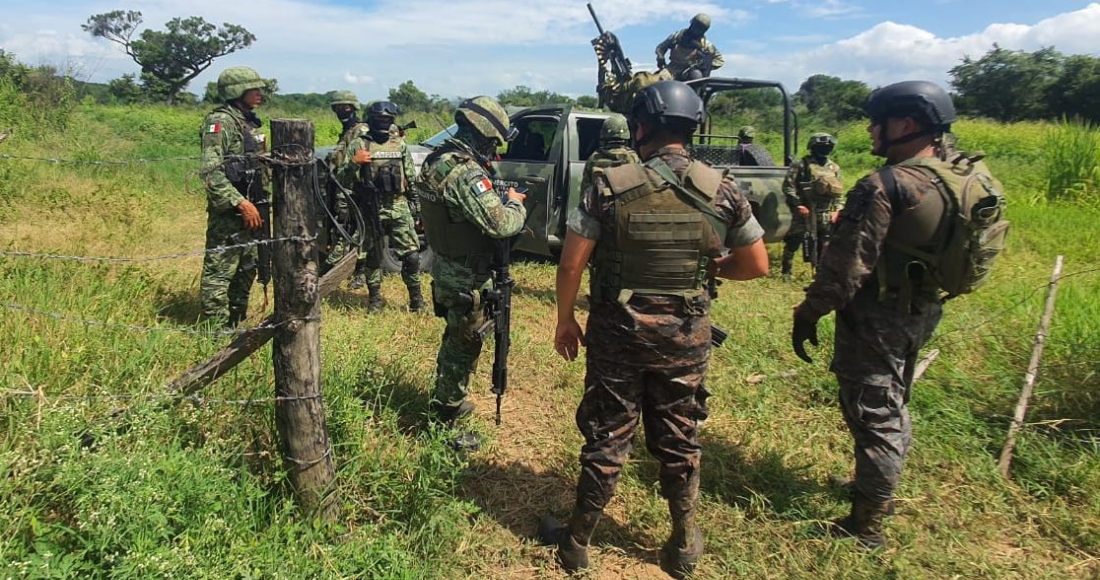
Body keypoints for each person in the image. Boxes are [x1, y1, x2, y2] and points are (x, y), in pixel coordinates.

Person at [540, 80, 769, 578]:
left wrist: (565, 319)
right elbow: (756, 264)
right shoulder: (722, 187)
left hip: (617, 334)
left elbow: (571, 264)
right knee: (679, 433)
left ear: (641, 126)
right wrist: (709, 272)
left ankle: (578, 543)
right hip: (685, 338)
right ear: (691, 129)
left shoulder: (610, 184)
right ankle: (684, 544)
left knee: (608, 432)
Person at [792, 80, 989, 550]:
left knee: (874, 411)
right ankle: (875, 485)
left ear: (905, 124)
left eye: (878, 121)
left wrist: (809, 311)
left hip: (878, 315)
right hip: (922, 307)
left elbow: (846, 267)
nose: (870, 129)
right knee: (894, 400)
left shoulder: (886, 185)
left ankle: (868, 525)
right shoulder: (964, 176)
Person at [415, 96, 526, 447]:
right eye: (493, 142)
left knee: (456, 340)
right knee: (464, 344)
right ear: (483, 133)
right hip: (466, 275)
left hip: (449, 266)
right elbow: (501, 224)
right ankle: (445, 420)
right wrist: (515, 204)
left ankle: (446, 401)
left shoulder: (438, 160)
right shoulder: (464, 170)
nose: (493, 149)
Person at [199, 66, 269, 328]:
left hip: (254, 205)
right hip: (232, 212)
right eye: (254, 89)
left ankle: (235, 322)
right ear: (237, 91)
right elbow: (209, 171)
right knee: (220, 272)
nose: (259, 93)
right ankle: (214, 332)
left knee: (247, 267)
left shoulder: (248, 122)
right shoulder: (220, 123)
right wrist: (239, 202)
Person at [337, 100, 423, 312]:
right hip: (371, 208)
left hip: (398, 206)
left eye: (387, 119)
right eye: (380, 119)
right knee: (373, 257)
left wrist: (416, 207)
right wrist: (354, 162)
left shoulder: (399, 145)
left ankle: (417, 301)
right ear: (372, 120)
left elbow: (410, 177)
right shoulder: (359, 144)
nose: (384, 123)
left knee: (411, 256)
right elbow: (341, 179)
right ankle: (374, 300)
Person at [780, 133, 844, 279]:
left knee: (824, 243)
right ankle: (786, 271)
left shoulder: (834, 167)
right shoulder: (801, 164)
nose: (825, 150)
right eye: (821, 147)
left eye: (828, 147)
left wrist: (838, 210)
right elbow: (788, 187)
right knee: (794, 240)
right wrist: (798, 205)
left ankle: (820, 274)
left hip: (826, 213)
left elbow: (839, 192)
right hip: (805, 210)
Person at [321, 90, 362, 274]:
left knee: (346, 229)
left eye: (345, 107)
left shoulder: (360, 130)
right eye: (337, 108)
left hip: (352, 189)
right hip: (342, 187)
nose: (341, 111)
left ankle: (331, 270)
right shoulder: (348, 131)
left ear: (353, 108)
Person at [579, 113, 640, 195]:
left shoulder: (594, 157)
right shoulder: (633, 157)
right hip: (625, 204)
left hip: (600, 205)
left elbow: (585, 190)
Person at [655, 13, 725, 81]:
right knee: (660, 80)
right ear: (691, 24)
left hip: (691, 70)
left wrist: (703, 65)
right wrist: (660, 57)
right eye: (696, 27)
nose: (696, 30)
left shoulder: (706, 45)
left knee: (696, 77)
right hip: (673, 68)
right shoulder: (677, 36)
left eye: (700, 29)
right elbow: (661, 48)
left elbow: (720, 61)